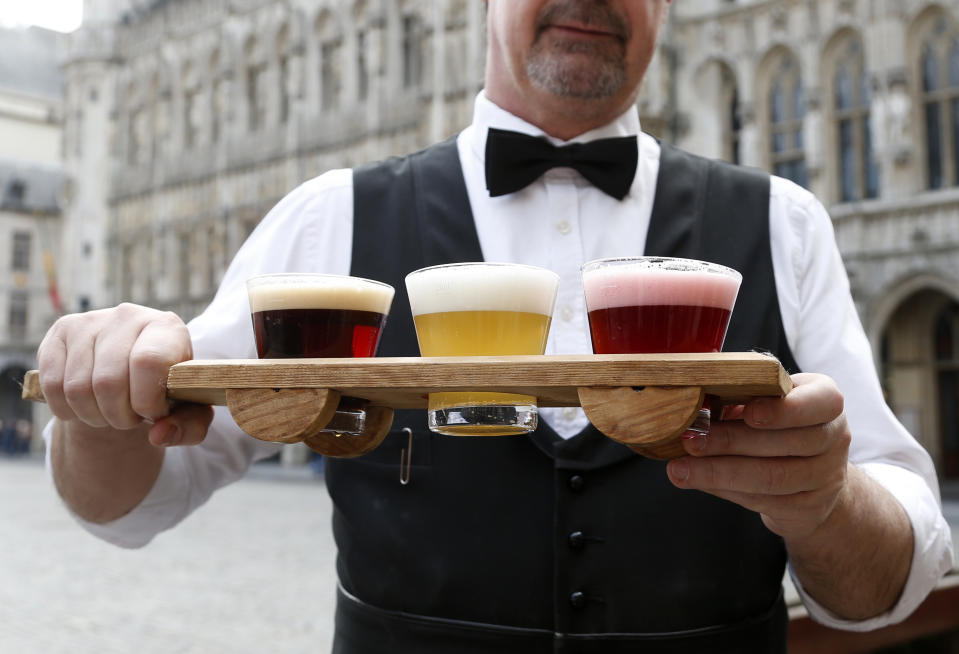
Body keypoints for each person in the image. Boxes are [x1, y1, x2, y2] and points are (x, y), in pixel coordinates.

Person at [37, 1, 953, 652]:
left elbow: (885, 587)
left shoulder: (781, 225)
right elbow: (134, 498)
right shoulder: (328, 219)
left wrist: (825, 504)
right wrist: (97, 393)